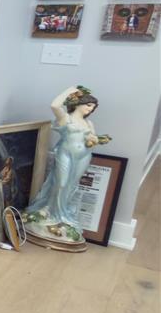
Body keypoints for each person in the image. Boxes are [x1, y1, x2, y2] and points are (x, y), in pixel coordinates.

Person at [23, 86, 112, 245]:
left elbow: (91, 141)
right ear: (79, 103)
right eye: (88, 105)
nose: (90, 109)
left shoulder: (88, 123)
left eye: (93, 107)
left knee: (71, 185)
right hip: (65, 154)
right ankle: (51, 212)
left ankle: (62, 215)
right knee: (61, 183)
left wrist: (97, 140)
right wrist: (69, 91)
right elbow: (54, 105)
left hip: (83, 156)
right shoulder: (66, 118)